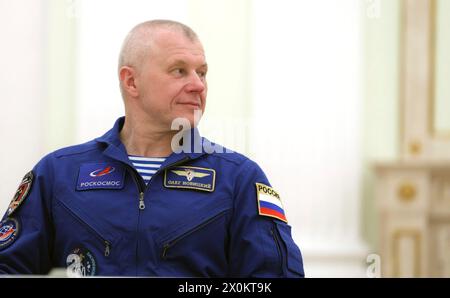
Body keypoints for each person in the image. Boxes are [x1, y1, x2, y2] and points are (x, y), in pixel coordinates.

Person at [0, 20, 304, 277]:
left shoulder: (239, 179)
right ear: (131, 82)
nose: (198, 85)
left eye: (202, 72)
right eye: (179, 71)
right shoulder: (58, 173)